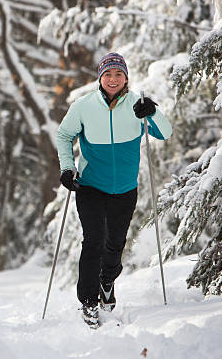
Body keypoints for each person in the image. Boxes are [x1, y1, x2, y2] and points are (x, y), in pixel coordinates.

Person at [56, 52, 172, 327]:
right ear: (100, 77)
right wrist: (66, 168)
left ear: (126, 78)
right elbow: (64, 135)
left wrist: (153, 111)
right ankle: (88, 302)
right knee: (93, 240)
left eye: (118, 74)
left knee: (114, 245)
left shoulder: (136, 105)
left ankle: (107, 281)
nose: (112, 79)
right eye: (107, 74)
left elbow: (165, 133)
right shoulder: (84, 106)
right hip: (90, 185)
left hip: (124, 188)